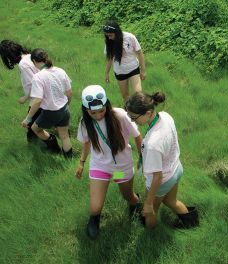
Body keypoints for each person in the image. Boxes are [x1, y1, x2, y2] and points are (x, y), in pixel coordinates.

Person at [75, 85, 143, 240]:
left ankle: (135, 203)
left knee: (128, 196)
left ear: (106, 105)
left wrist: (141, 157)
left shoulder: (120, 115)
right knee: (95, 207)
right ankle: (94, 219)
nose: (98, 115)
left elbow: (137, 135)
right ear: (86, 110)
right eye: (93, 113)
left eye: (101, 110)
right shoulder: (85, 123)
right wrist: (81, 163)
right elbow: (86, 143)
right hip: (100, 167)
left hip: (120, 168)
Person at [125, 92, 199, 229]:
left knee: (151, 211)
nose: (132, 121)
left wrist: (148, 203)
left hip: (162, 180)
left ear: (148, 113)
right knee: (171, 201)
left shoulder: (153, 144)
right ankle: (192, 224)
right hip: (176, 169)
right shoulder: (165, 116)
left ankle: (150, 235)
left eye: (134, 118)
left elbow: (157, 177)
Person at [20, 48, 72, 157]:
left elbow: (37, 100)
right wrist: (68, 105)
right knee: (65, 136)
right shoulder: (60, 70)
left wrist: (28, 118)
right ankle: (69, 160)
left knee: (35, 128)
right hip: (64, 108)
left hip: (50, 112)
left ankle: (54, 147)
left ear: (34, 61)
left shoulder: (38, 77)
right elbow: (69, 92)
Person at [0, 40, 42, 142]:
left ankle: (46, 148)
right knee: (35, 124)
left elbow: (35, 84)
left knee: (30, 126)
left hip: (38, 99)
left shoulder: (23, 64)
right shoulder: (29, 56)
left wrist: (25, 97)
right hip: (43, 96)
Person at [103, 20, 146, 102]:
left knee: (139, 95)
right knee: (126, 97)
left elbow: (140, 53)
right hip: (120, 72)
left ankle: (141, 113)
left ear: (117, 32)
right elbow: (109, 59)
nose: (109, 38)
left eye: (111, 35)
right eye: (107, 36)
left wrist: (143, 70)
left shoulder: (130, 37)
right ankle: (128, 113)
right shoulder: (109, 42)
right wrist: (106, 74)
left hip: (133, 69)